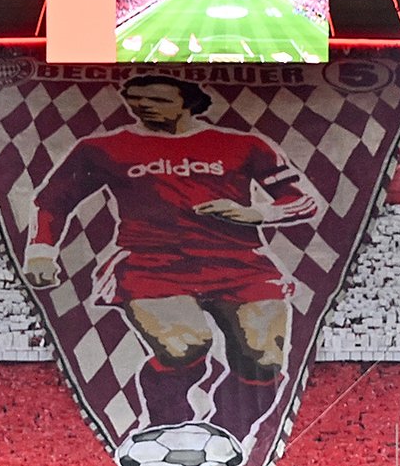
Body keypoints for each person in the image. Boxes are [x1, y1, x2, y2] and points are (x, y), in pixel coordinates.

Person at [22, 75, 325, 445]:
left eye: (157, 98)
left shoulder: (243, 144)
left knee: (264, 358)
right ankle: (166, 427)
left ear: (187, 101)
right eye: (135, 99)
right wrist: (41, 249)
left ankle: (226, 436)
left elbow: (303, 200)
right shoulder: (102, 148)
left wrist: (257, 213)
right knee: (185, 345)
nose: (143, 105)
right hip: (152, 262)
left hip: (240, 262)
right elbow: (53, 201)